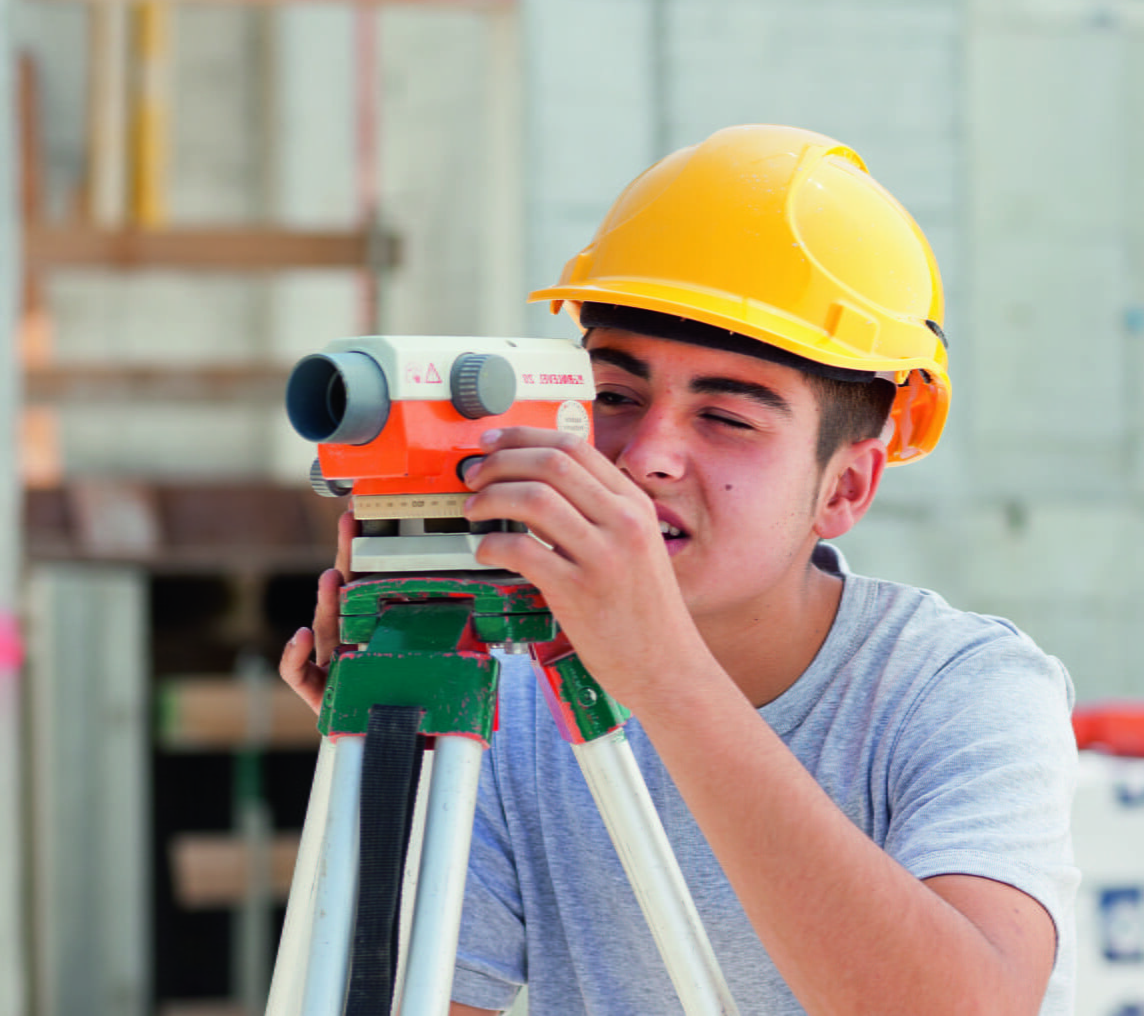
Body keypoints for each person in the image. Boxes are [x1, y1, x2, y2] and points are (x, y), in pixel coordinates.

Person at [277, 125, 1077, 1014]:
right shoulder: (512, 694)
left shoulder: (958, 689)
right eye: (613, 397)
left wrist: (659, 672)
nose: (647, 454)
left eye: (726, 418)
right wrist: (396, 769)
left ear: (844, 487)